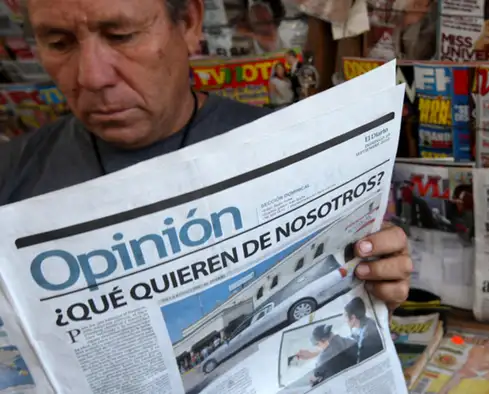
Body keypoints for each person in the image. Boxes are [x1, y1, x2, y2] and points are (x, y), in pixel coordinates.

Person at [1, 0, 411, 311]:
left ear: (190, 24)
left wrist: (375, 281)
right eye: (58, 43)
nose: (91, 76)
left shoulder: (292, 155)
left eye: (122, 36)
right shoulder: (12, 176)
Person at [344, 297, 383, 363]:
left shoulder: (367, 337)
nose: (345, 321)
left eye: (345, 316)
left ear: (353, 318)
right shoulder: (369, 322)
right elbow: (355, 335)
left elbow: (360, 360)